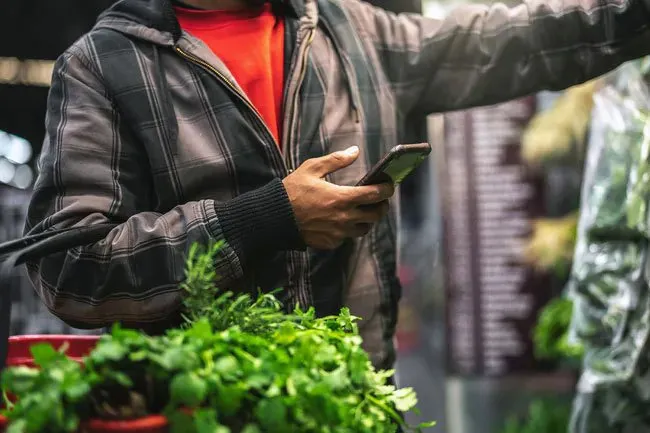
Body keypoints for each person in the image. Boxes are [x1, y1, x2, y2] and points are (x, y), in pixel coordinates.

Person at [24, 0, 650, 370]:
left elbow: (508, 41)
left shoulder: (349, 33)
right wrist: (264, 219)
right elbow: (69, 267)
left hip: (357, 398)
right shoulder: (104, 62)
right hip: (203, 408)